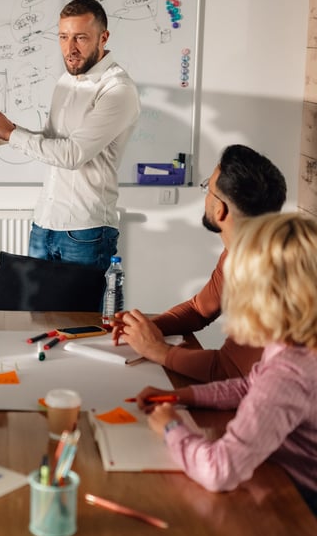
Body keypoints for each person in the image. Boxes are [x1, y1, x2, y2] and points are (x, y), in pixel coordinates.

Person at [137, 212, 317, 515]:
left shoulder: (288, 374)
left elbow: (220, 471)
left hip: (303, 506)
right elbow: (251, 385)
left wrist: (172, 429)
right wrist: (184, 395)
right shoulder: (295, 344)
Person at [0, 0, 140, 272]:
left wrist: (13, 134)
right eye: (63, 37)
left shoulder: (117, 89)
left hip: (86, 230)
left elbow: (72, 154)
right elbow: (53, 140)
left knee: (81, 317)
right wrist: (6, 130)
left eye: (80, 38)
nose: (70, 48)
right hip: (45, 223)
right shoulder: (66, 81)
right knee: (34, 315)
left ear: (104, 37)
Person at [112, 144, 287, 381]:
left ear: (220, 211)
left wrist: (156, 349)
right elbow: (199, 310)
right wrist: (146, 328)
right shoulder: (241, 252)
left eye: (208, 189)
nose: (205, 197)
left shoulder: (270, 276)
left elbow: (228, 369)